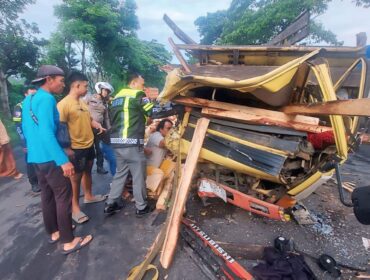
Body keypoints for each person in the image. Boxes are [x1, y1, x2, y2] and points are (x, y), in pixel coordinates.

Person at [22, 65, 92, 254]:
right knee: (64, 196)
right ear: (49, 79)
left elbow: (28, 130)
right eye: (61, 81)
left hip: (36, 157)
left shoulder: (29, 99)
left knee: (47, 195)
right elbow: (46, 132)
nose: (63, 84)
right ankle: (68, 241)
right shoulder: (46, 99)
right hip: (50, 157)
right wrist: (63, 160)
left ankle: (54, 231)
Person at [57, 71, 106, 224]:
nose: (87, 88)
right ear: (76, 85)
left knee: (87, 172)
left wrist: (96, 124)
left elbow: (89, 118)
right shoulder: (64, 104)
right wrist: (66, 149)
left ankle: (89, 196)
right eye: (85, 86)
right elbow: (60, 128)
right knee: (75, 179)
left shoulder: (82, 102)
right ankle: (75, 208)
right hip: (75, 148)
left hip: (88, 144)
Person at [104, 73, 154, 217]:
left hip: (117, 143)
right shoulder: (138, 94)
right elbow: (152, 110)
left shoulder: (116, 98)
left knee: (121, 173)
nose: (143, 87)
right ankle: (141, 207)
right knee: (138, 175)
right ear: (133, 83)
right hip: (131, 143)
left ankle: (110, 204)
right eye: (142, 83)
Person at [13, 85, 40, 192]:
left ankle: (44, 181)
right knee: (30, 161)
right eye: (31, 94)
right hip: (28, 140)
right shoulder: (19, 107)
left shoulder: (38, 105)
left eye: (35, 94)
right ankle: (34, 183)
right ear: (25, 94)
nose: (34, 97)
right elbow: (18, 126)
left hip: (40, 138)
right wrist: (24, 143)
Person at [85, 82, 116, 175]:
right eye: (105, 90)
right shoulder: (89, 98)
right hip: (88, 127)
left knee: (99, 148)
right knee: (88, 147)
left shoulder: (105, 103)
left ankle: (100, 166)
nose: (106, 92)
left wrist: (109, 128)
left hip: (100, 129)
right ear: (99, 89)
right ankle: (85, 167)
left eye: (108, 91)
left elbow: (106, 117)